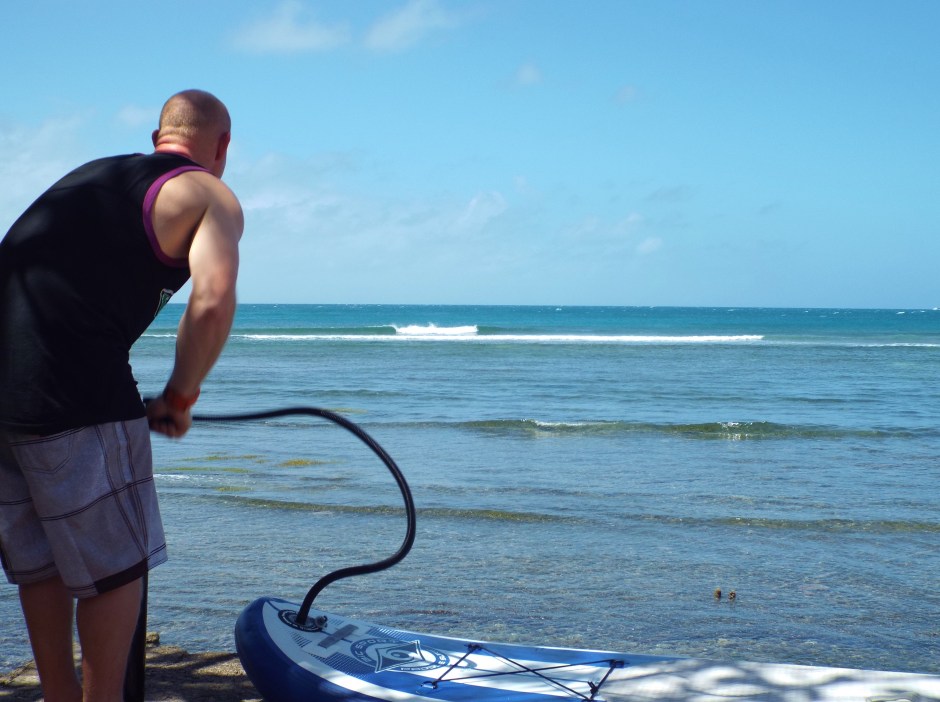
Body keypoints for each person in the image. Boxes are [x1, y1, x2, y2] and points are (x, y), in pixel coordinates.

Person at [0, 89, 243, 701]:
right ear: (223, 146)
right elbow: (213, 301)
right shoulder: (208, 193)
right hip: (73, 387)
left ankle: (59, 693)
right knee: (115, 567)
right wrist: (180, 397)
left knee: (42, 558)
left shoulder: (91, 177)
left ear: (158, 137)